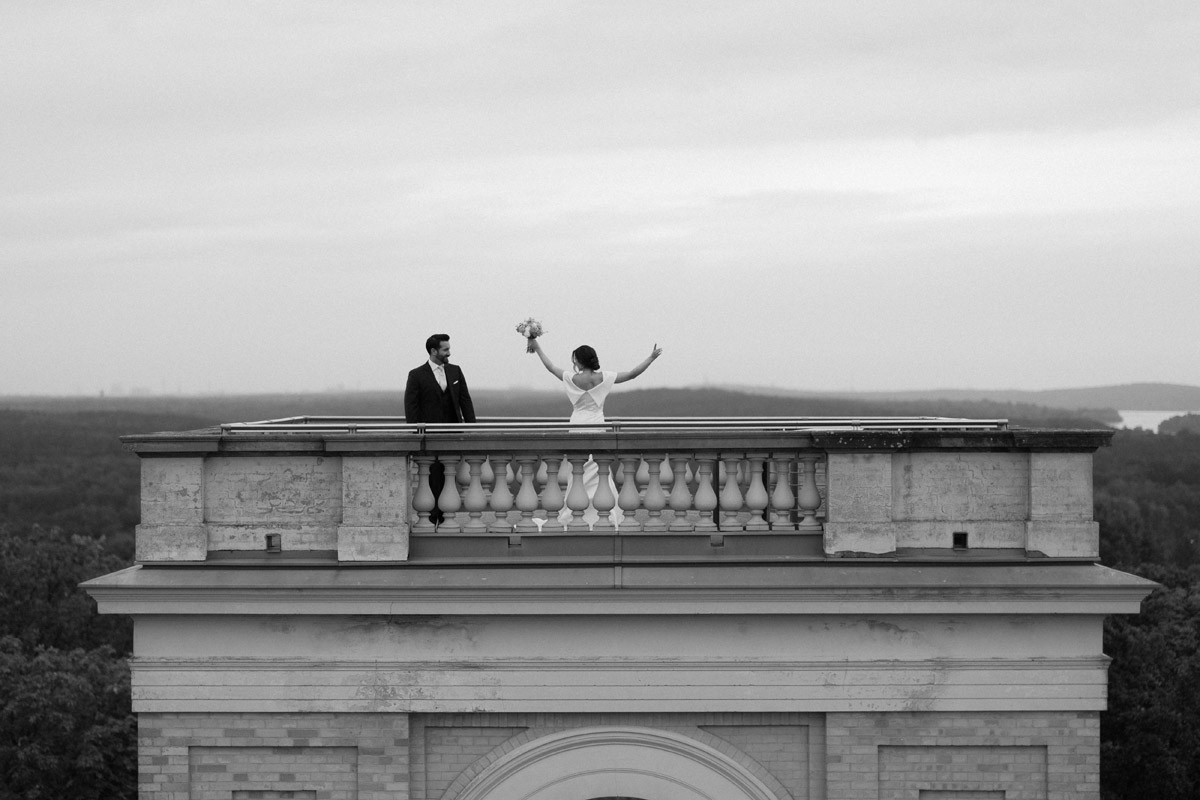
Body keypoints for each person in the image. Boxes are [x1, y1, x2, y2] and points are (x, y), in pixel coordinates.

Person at [528, 338, 662, 528]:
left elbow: (550, 367)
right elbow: (632, 374)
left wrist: (537, 347)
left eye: (575, 360)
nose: (573, 363)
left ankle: (575, 512)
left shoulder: (571, 378)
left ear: (580, 361)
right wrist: (651, 358)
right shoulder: (603, 378)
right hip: (597, 425)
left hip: (577, 426)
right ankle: (604, 511)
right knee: (600, 470)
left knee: (577, 471)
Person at [405, 333, 476, 524]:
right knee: (431, 478)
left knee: (449, 476)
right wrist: (415, 436)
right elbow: (411, 408)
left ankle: (446, 517)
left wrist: (473, 429)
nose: (449, 353)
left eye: (449, 349)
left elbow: (465, 401)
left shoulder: (455, 371)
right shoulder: (416, 375)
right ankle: (433, 517)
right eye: (445, 349)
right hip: (429, 437)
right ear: (433, 351)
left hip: (452, 435)